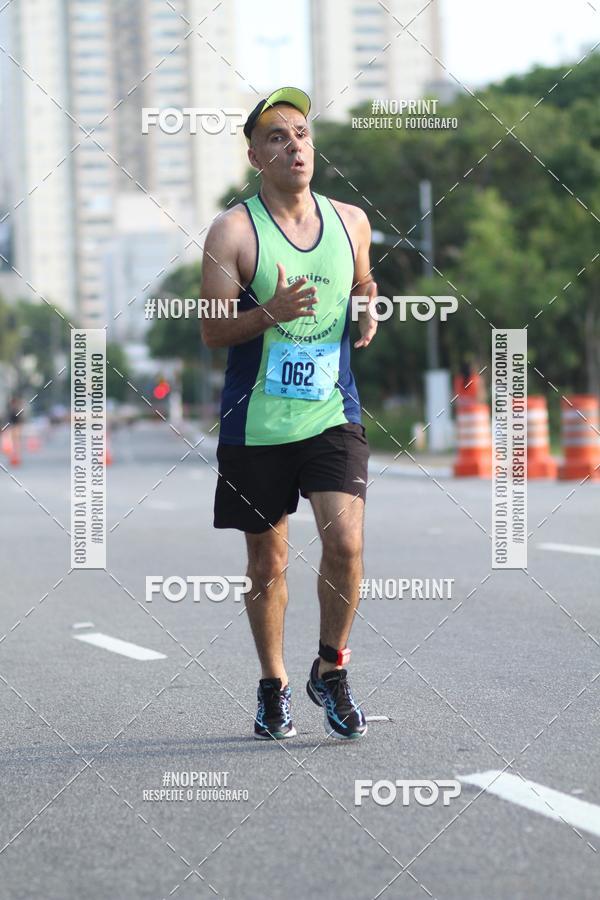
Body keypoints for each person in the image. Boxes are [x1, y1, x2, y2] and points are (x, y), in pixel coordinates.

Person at [201, 87, 378, 741]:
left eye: (301, 133)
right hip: (257, 425)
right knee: (267, 567)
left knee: (347, 542)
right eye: (276, 136)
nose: (294, 145)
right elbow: (214, 332)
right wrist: (271, 311)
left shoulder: (351, 220)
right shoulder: (234, 231)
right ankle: (273, 685)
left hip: (333, 410)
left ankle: (331, 670)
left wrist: (369, 304)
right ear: (255, 155)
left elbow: (361, 279)